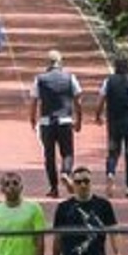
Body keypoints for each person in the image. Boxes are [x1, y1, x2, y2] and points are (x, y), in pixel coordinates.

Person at [30, 50, 83, 198]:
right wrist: (79, 120)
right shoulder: (70, 78)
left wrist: (32, 119)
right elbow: (78, 100)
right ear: (61, 62)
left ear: (48, 63)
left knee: (49, 155)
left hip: (46, 122)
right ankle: (66, 172)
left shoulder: (39, 79)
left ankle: (53, 188)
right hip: (65, 120)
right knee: (67, 152)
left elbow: (34, 101)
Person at [94, 56, 128, 198]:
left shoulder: (108, 81)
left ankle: (110, 172)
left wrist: (98, 115)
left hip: (114, 124)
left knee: (112, 153)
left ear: (115, 68)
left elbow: (101, 100)